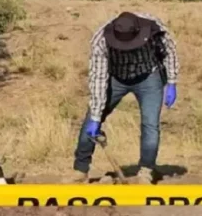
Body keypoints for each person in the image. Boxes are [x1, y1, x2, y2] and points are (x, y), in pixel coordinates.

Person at [70, 11, 180, 184]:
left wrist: (172, 81)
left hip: (148, 77)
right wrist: (96, 116)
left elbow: (169, 51)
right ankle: (80, 170)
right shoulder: (100, 40)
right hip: (116, 78)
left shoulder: (155, 28)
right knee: (91, 120)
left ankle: (146, 171)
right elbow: (98, 78)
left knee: (150, 124)